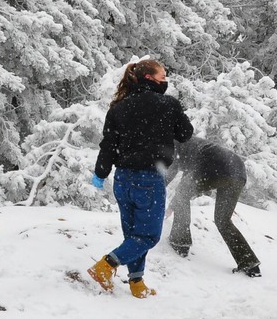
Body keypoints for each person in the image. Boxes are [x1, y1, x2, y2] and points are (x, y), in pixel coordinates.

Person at [87, 59, 193, 298]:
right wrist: (173, 113)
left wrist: (100, 173)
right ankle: (106, 266)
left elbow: (108, 145)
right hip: (149, 180)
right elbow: (186, 133)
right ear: (149, 79)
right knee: (148, 236)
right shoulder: (168, 105)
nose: (166, 82)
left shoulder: (119, 107)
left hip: (123, 180)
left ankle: (136, 283)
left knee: (133, 235)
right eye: (163, 78)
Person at [166, 137, 261, 277]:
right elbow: (185, 179)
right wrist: (172, 206)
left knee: (182, 193)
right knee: (223, 220)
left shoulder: (172, 143)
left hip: (214, 167)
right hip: (237, 172)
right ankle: (249, 263)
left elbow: (171, 173)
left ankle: (180, 242)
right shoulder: (191, 146)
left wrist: (151, 196)